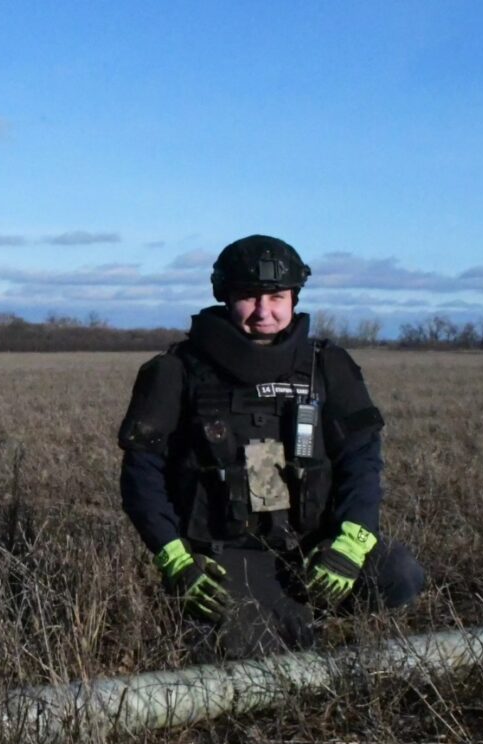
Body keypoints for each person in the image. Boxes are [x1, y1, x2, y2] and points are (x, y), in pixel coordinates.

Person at [117, 234, 424, 658]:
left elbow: (361, 460)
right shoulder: (174, 371)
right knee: (241, 651)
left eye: (277, 297)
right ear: (225, 297)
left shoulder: (329, 366)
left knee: (399, 573)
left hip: (315, 546)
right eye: (248, 297)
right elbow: (141, 476)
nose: (265, 312)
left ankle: (319, 615)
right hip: (228, 552)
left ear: (294, 297)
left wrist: (350, 544)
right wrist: (176, 561)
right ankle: (279, 620)